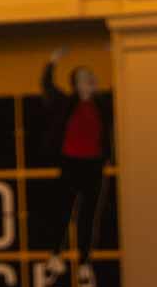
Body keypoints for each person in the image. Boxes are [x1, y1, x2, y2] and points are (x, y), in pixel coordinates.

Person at [40, 47, 111, 265]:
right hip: (70, 163)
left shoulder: (102, 104)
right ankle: (55, 254)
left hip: (93, 165)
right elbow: (48, 87)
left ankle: (84, 261)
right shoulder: (65, 103)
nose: (89, 80)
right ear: (76, 84)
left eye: (90, 77)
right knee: (63, 211)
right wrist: (52, 62)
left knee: (88, 216)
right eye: (83, 78)